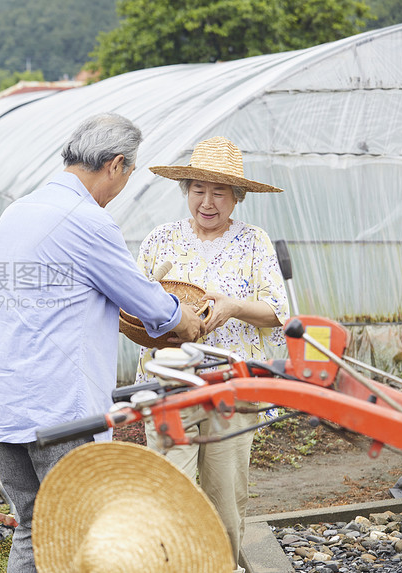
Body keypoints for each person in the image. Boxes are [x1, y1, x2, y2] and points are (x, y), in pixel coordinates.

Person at [0, 112, 205, 573]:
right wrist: (188, 318)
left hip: (3, 401)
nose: (124, 184)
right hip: (57, 410)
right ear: (116, 164)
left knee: (34, 524)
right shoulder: (88, 222)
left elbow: (55, 297)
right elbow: (153, 308)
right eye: (129, 173)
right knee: (77, 531)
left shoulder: (19, 211)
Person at [136, 136, 290, 571]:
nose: (208, 201)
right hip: (168, 385)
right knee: (172, 492)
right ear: (185, 190)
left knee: (225, 498)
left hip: (232, 388)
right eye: (198, 189)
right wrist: (159, 331)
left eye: (219, 191)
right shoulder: (160, 240)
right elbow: (133, 305)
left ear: (237, 196)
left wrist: (234, 306)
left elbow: (278, 312)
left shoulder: (254, 242)